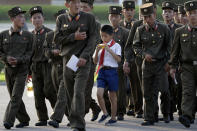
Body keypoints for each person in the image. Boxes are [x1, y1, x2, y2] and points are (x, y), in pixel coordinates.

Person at [54, 0, 96, 130]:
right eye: (74, 2)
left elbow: (93, 39)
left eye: (78, 2)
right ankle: (74, 121)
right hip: (68, 60)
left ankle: (78, 124)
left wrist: (85, 56)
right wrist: (74, 36)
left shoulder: (89, 18)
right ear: (67, 5)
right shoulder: (61, 19)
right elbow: (57, 39)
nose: (77, 5)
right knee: (70, 92)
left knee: (78, 92)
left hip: (83, 61)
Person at [133, 3, 171, 126]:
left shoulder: (164, 28)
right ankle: (150, 117)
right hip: (147, 65)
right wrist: (144, 54)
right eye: (144, 17)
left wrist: (168, 62)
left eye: (149, 16)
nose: (147, 20)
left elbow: (170, 47)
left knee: (164, 90)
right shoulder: (140, 30)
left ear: (154, 15)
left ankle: (166, 113)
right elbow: (136, 46)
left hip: (161, 64)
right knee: (148, 92)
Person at [0, 7, 32, 129]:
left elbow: (30, 54)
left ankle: (8, 120)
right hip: (8, 70)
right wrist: (6, 58)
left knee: (15, 96)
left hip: (22, 70)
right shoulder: (3, 35)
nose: (22, 19)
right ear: (12, 19)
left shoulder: (28, 36)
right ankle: (24, 119)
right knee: (15, 96)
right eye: (19, 16)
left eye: (23, 16)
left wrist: (19, 60)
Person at [169, 0, 197, 128]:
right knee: (188, 91)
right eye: (190, 13)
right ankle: (187, 115)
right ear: (185, 14)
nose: (192, 16)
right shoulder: (179, 32)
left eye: (195, 13)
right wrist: (172, 67)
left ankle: (191, 112)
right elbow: (175, 51)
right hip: (187, 67)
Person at [29, 6, 57, 126]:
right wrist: (28, 72)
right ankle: (42, 118)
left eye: (39, 17)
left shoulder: (50, 33)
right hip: (35, 68)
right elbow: (29, 55)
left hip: (48, 66)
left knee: (49, 90)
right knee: (37, 93)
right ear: (31, 20)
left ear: (43, 19)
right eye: (34, 18)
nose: (37, 20)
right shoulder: (29, 36)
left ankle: (58, 113)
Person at [43, 9, 69, 128]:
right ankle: (70, 115)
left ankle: (56, 118)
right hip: (54, 67)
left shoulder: (72, 35)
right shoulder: (49, 36)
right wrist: (52, 52)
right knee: (51, 92)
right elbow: (45, 52)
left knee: (63, 93)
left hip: (68, 66)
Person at [93, 24, 121, 125]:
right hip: (101, 71)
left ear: (111, 35)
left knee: (112, 96)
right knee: (99, 94)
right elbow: (95, 61)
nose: (103, 38)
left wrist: (109, 50)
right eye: (101, 36)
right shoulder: (100, 45)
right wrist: (97, 51)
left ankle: (113, 117)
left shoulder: (116, 46)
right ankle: (105, 113)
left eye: (105, 36)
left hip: (112, 71)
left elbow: (118, 59)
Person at [161, 1, 183, 121]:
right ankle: (166, 113)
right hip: (163, 64)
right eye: (165, 12)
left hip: (176, 64)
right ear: (162, 14)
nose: (167, 14)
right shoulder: (158, 27)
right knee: (165, 89)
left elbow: (181, 48)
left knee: (177, 88)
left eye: (169, 12)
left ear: (174, 14)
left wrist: (177, 64)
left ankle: (181, 111)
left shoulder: (179, 29)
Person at [80, 0, 101, 122]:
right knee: (76, 88)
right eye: (81, 6)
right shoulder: (78, 20)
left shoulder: (95, 23)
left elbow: (96, 43)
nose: (82, 9)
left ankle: (80, 115)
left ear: (91, 8)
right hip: (76, 59)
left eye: (85, 7)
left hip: (89, 59)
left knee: (86, 88)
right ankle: (95, 107)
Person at [119, 0, 137, 117]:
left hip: (135, 58)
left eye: (131, 10)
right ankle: (123, 106)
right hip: (121, 58)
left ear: (134, 11)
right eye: (127, 10)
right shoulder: (119, 25)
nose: (129, 13)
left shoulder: (138, 24)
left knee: (134, 84)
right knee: (123, 85)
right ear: (123, 11)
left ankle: (133, 106)